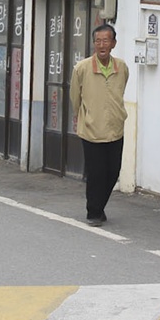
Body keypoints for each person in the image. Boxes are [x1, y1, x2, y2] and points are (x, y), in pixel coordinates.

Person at [69, 23, 129, 227]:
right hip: (91, 130)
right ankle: (93, 212)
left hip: (115, 128)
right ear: (94, 43)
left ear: (113, 43)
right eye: (98, 41)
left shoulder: (121, 67)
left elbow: (121, 90)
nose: (102, 44)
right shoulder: (82, 68)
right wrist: (83, 118)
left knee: (113, 171)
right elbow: (75, 98)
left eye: (106, 40)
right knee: (96, 173)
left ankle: (99, 206)